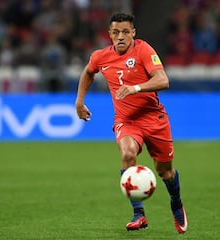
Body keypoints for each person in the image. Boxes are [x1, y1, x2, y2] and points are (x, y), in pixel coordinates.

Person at [75, 13, 188, 234]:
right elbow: (88, 72)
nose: (120, 37)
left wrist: (136, 88)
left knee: (165, 172)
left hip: (154, 119)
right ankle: (139, 214)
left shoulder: (144, 49)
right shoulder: (100, 56)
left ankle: (176, 202)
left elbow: (163, 80)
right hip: (126, 121)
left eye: (126, 32)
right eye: (116, 32)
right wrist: (79, 101)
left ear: (133, 33)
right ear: (109, 34)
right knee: (127, 155)